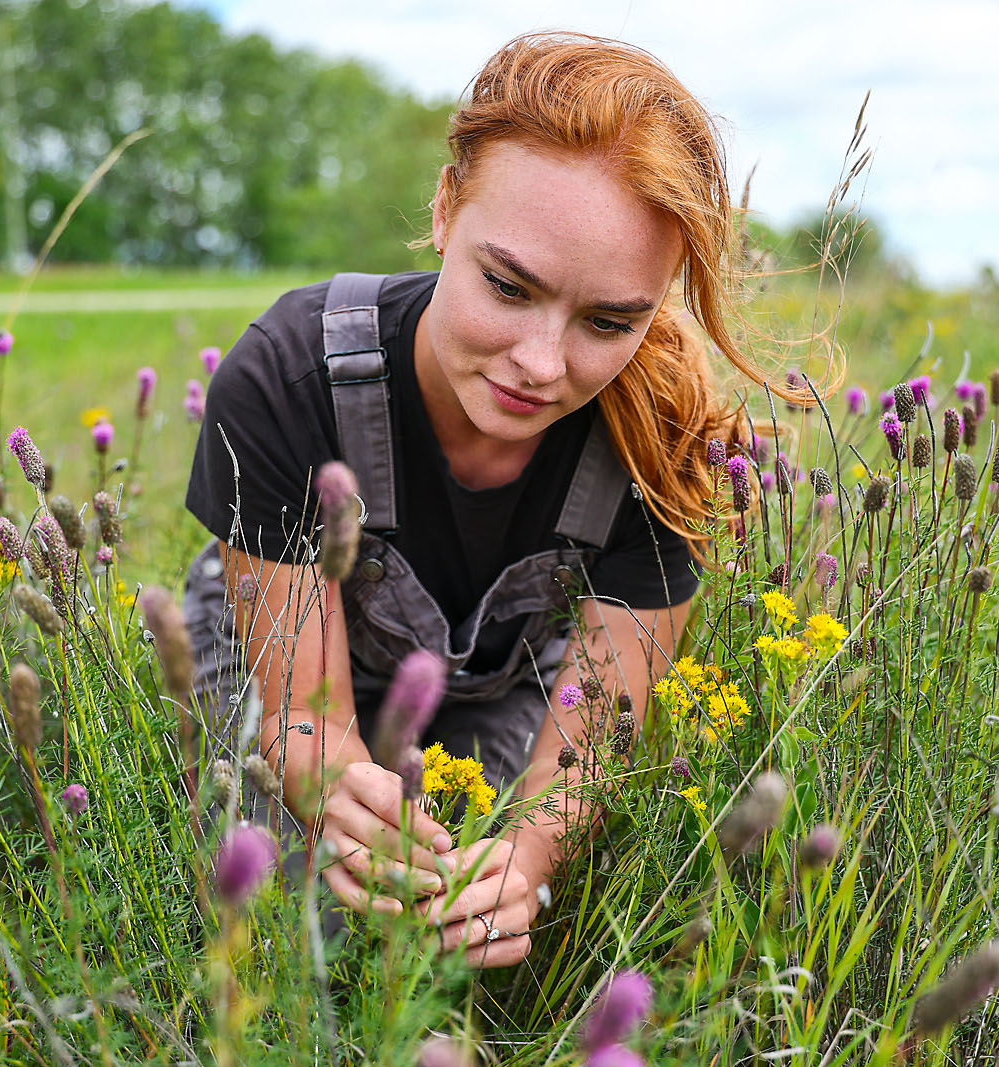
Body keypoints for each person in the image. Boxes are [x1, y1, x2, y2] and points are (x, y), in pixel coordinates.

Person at [180, 31, 816, 969]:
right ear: (445, 209)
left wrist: (525, 858)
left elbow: (584, 753)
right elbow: (301, 718)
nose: (542, 364)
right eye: (508, 286)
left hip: (498, 680)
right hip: (284, 651)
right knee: (282, 923)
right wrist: (340, 788)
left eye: (609, 321)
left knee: (461, 921)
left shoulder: (663, 449)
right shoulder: (288, 376)